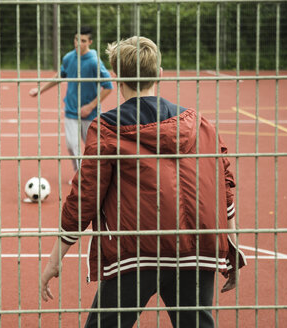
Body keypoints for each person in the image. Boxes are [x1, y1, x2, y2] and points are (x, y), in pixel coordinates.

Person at [39, 36, 246, 328]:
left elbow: (86, 195)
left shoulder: (107, 128)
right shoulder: (201, 124)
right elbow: (225, 186)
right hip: (195, 249)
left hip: (135, 251)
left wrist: (55, 258)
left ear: (117, 77)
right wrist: (231, 244)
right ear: (160, 75)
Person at [29, 26, 114, 176]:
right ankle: (79, 174)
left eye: (82, 40)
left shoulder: (95, 61)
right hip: (71, 110)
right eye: (76, 39)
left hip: (91, 113)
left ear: (90, 42)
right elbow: (60, 76)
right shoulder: (69, 58)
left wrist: (90, 106)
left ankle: (100, 174)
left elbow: (108, 87)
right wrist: (40, 89)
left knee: (93, 147)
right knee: (71, 145)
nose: (78, 43)